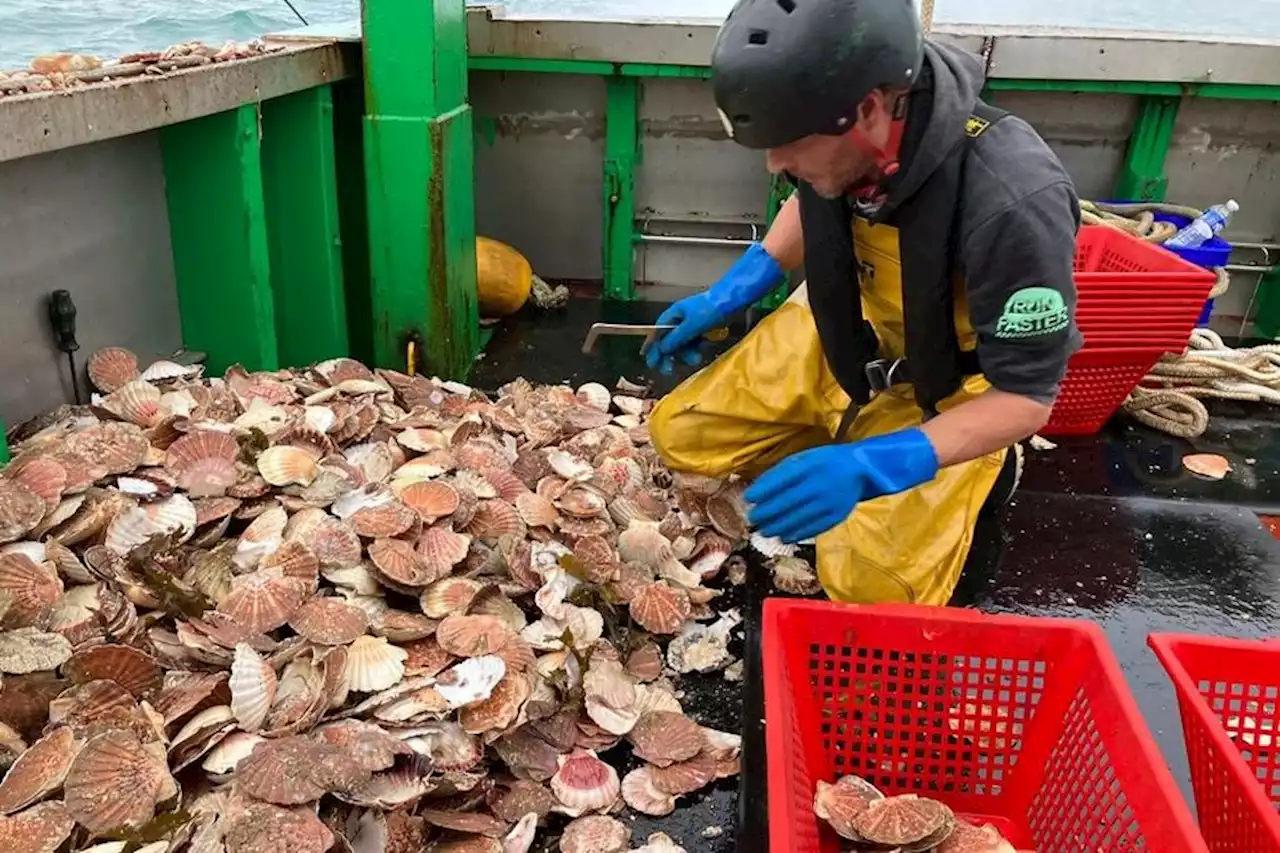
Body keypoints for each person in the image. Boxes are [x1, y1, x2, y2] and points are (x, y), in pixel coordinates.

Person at [644, 0, 1083, 605]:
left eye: (789, 143)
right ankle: (832, 445)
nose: (775, 164)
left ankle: (972, 471)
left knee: (871, 587)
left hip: (950, 385)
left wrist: (872, 467)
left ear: (870, 111)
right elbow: (815, 191)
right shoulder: (843, 137)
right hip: (846, 325)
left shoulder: (1014, 201)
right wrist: (733, 289)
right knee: (679, 436)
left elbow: (1028, 399)